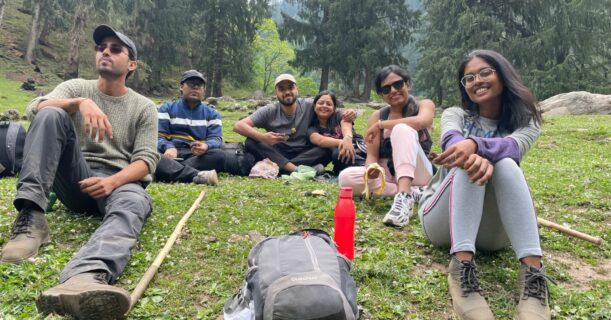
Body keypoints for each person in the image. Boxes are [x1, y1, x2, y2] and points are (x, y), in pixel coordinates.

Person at [0, 25, 158, 319]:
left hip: (119, 181)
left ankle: (84, 276)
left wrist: (113, 181)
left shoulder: (144, 107)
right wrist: (79, 104)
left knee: (135, 202)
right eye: (101, 47)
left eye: (115, 48)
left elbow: (147, 160)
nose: (105, 52)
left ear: (131, 64)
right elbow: (35, 107)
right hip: (76, 176)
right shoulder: (77, 88)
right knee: (50, 113)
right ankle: (32, 219)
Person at [418, 49, 551, 319]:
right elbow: (452, 144)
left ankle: (534, 277)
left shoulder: (526, 122)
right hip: (443, 222)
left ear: (503, 75)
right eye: (468, 78)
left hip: (493, 234)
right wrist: (472, 152)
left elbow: (511, 148)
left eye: (484, 72)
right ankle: (462, 269)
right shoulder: (455, 114)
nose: (476, 80)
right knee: (468, 163)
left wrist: (478, 145)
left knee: (506, 164)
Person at [338, 65, 435, 227]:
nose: (393, 91)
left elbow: (421, 121)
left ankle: (404, 198)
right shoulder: (377, 116)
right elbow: (372, 155)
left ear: (407, 84)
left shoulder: (424, 105)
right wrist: (372, 168)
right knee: (345, 178)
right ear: (381, 95)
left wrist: (382, 125)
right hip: (387, 174)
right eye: (386, 89)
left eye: (398, 84)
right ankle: (414, 193)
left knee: (402, 129)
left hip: (417, 171)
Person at [234, 74, 352, 175]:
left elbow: (335, 113)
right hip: (278, 152)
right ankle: (295, 170)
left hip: (306, 153)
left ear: (297, 89)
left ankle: (283, 169)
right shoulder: (269, 111)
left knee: (327, 148)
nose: (287, 92)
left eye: (290, 87)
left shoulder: (310, 105)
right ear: (276, 92)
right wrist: (263, 137)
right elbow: (238, 125)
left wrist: (350, 114)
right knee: (251, 141)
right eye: (281, 89)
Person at [154, 69, 222, 185]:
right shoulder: (166, 108)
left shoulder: (212, 114)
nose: (195, 87)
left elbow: (216, 139)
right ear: (181, 87)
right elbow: (158, 136)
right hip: (170, 153)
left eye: (199, 85)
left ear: (204, 90)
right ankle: (196, 175)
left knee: (219, 155)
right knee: (151, 154)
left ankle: (168, 170)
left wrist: (205, 146)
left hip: (195, 156)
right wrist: (169, 147)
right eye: (191, 84)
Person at [307, 90, 364, 175]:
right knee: (337, 152)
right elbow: (319, 140)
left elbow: (346, 125)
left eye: (329, 104)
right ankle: (364, 169)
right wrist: (343, 142)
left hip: (357, 148)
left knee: (339, 153)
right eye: (321, 103)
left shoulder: (339, 116)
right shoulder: (312, 128)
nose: (324, 106)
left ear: (334, 108)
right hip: (341, 156)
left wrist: (348, 138)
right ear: (314, 107)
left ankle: (366, 167)